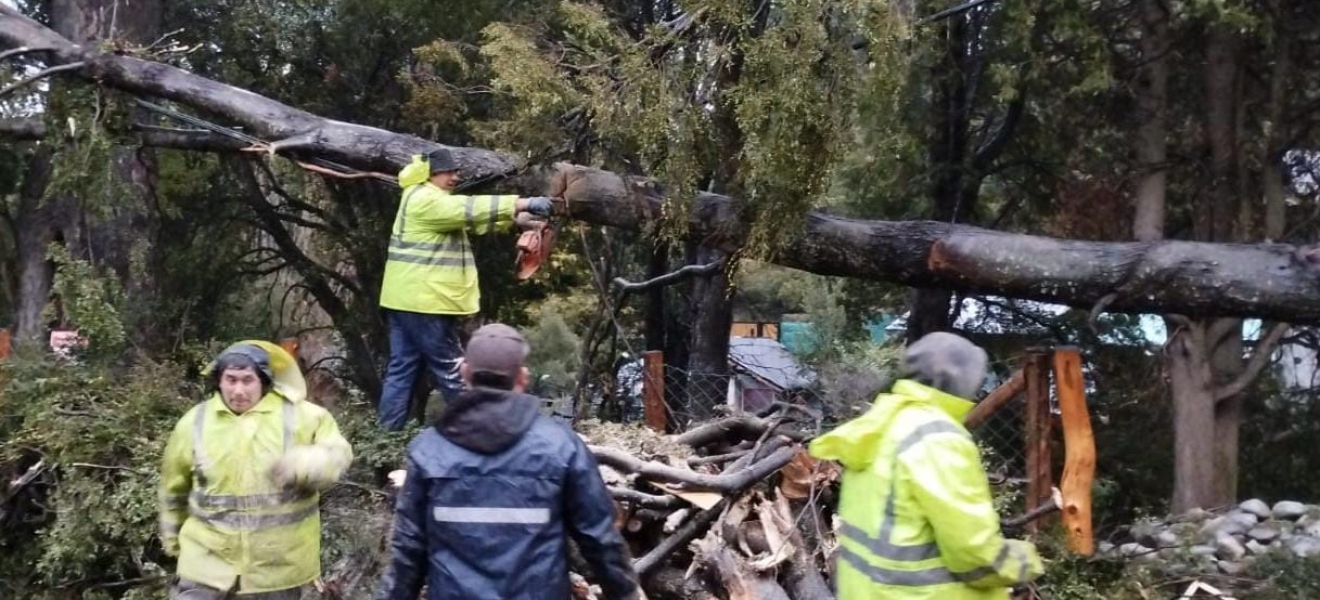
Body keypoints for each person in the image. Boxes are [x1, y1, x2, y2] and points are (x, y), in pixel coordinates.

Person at [376, 324, 641, 600]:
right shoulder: (561, 447)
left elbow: (407, 556)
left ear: (465, 373)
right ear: (523, 378)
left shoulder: (428, 451)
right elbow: (601, 542)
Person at [808, 332, 1042, 600]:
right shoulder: (938, 439)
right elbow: (974, 556)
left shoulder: (879, 426)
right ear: (961, 379)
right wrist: (1025, 561)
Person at [158, 341, 353, 599]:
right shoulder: (193, 423)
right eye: (231, 380)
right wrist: (174, 545)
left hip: (276, 572)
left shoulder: (304, 416)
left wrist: (305, 464)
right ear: (219, 381)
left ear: (264, 381)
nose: (238, 390)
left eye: (247, 380)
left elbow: (338, 454)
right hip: (204, 566)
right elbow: (173, 492)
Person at [377, 148, 554, 430]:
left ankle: (385, 441)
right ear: (430, 174)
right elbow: (466, 209)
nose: (455, 177)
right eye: (449, 172)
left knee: (402, 371)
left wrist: (517, 219)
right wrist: (523, 203)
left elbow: (467, 220)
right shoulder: (425, 200)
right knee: (452, 369)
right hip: (425, 302)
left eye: (456, 172)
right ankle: (482, 432)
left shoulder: (420, 197)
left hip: (405, 300)